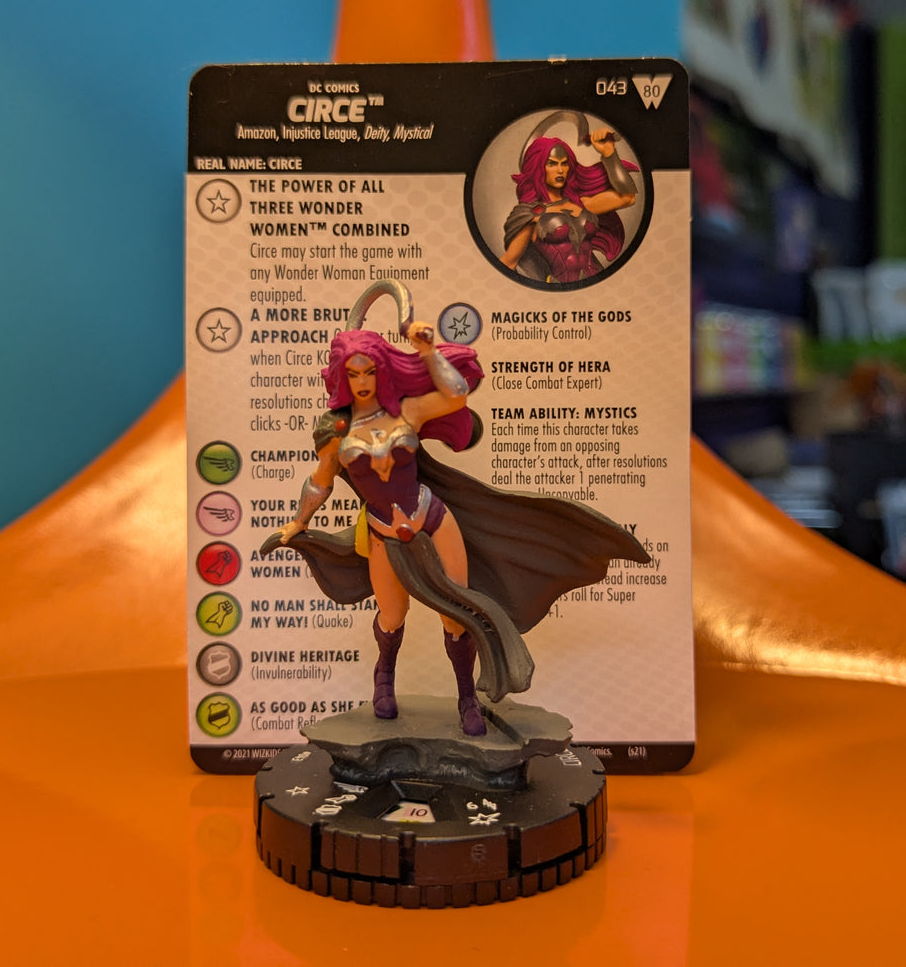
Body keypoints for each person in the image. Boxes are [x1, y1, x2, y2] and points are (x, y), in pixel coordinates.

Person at [263, 280, 649, 738]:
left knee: (456, 611)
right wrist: (299, 522)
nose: (363, 382)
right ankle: (384, 676)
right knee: (392, 617)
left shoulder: (407, 413)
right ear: (340, 376)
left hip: (431, 518)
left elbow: (456, 395)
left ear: (383, 371)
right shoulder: (337, 431)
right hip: (383, 532)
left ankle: (467, 695)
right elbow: (320, 480)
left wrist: (427, 351)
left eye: (370, 371)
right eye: (354, 373)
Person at [502, 130, 638, 283]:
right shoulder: (532, 214)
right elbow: (508, 262)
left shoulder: (581, 204)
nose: (560, 170)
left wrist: (609, 153)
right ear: (539, 167)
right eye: (552, 163)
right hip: (559, 289)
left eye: (564, 163)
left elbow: (628, 198)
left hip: (598, 283)